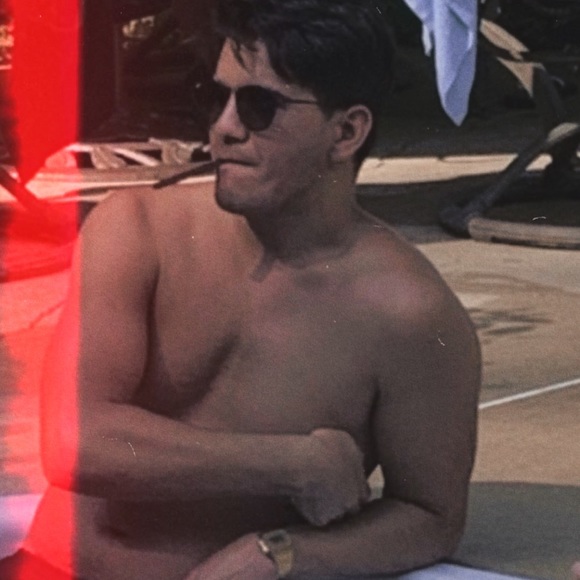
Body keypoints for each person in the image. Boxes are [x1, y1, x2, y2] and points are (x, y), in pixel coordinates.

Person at [1, 0, 481, 578]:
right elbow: (76, 443)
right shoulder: (135, 232)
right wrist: (290, 463)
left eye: (259, 106)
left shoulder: (410, 315)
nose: (223, 128)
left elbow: (430, 517)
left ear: (347, 131)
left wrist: (280, 554)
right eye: (215, 97)